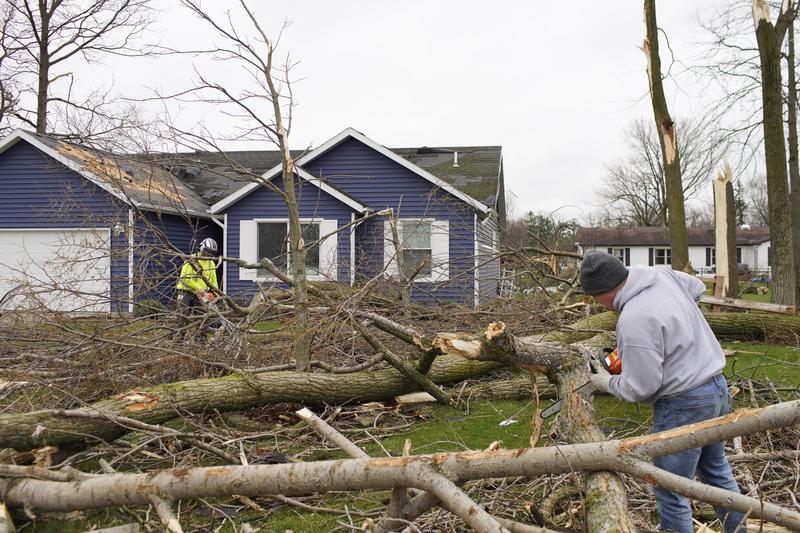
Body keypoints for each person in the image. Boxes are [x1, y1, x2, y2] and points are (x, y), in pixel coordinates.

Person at [579, 250, 746, 533]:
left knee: (670, 488)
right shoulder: (659, 275)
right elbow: (697, 287)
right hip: (717, 388)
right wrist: (672, 329)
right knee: (716, 472)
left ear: (603, 291)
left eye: (596, 298)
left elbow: (640, 387)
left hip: (684, 403)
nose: (598, 304)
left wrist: (604, 382)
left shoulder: (634, 319)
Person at [175, 238, 219, 340]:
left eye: (211, 253)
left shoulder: (211, 263)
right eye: (207, 252)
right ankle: (178, 340)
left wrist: (217, 294)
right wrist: (199, 288)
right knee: (182, 316)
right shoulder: (191, 260)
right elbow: (184, 278)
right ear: (201, 249)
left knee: (204, 316)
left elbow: (213, 282)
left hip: (202, 294)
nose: (208, 255)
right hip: (186, 291)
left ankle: (201, 340)